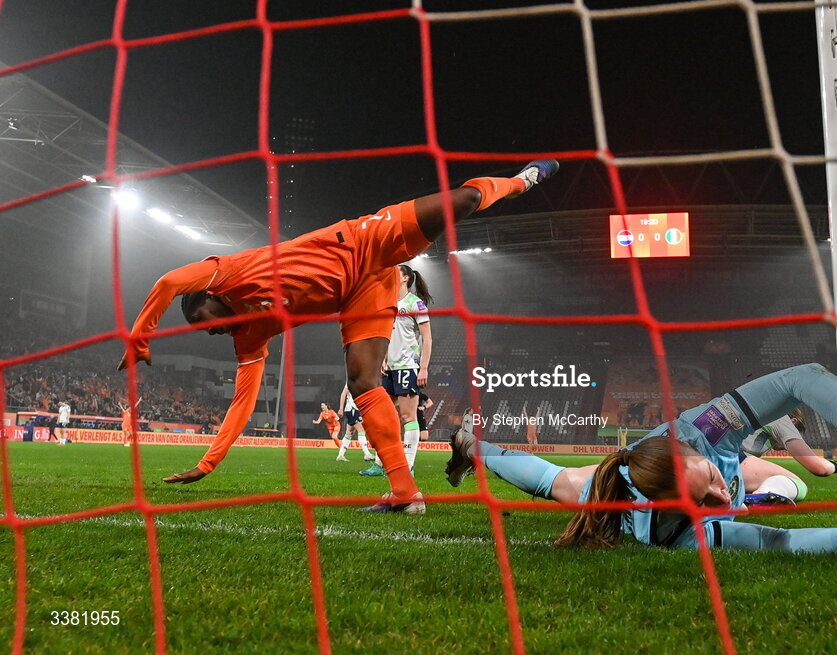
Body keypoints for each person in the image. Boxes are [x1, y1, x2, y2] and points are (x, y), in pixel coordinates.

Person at [117, 160, 559, 515]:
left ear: (211, 296)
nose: (211, 330)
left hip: (362, 243)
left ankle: (521, 181)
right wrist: (207, 463)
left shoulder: (228, 273)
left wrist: (141, 336)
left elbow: (171, 280)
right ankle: (405, 493)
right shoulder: (247, 336)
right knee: (364, 381)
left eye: (205, 321)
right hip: (361, 294)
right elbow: (242, 402)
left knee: (459, 200)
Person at [446, 363, 837, 558]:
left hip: (647, 461)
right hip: (642, 494)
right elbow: (777, 544)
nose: (721, 490)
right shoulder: (681, 533)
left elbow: (802, 379)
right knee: (564, 486)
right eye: (710, 495)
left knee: (560, 483)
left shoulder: (704, 431)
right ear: (682, 506)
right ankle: (473, 446)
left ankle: (473, 445)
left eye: (714, 480)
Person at [360, 264, 432, 477]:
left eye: (396, 272)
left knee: (408, 416)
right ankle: (380, 463)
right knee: (384, 416)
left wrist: (424, 368)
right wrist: (383, 359)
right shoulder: (387, 302)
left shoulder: (415, 303)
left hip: (408, 365)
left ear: (405, 278)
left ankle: (407, 465)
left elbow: (427, 338)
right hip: (389, 367)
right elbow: (386, 334)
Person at [739, 409, 837, 506]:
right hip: (734, 461)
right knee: (799, 485)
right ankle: (760, 497)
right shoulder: (781, 418)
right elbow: (820, 468)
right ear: (793, 422)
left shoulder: (757, 414)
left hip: (726, 460)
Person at [339, 385, 374, 461]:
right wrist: (341, 408)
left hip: (355, 409)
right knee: (361, 430)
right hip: (352, 408)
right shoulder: (351, 380)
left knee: (349, 432)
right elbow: (343, 394)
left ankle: (341, 455)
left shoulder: (361, 380)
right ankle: (366, 453)